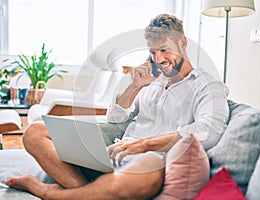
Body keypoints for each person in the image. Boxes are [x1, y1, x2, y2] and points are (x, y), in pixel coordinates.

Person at [5, 13, 229, 199]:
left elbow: (208, 130)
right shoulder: (152, 81)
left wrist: (142, 145)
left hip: (149, 162)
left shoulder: (207, 86)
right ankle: (89, 191)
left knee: (147, 173)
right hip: (111, 154)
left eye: (164, 49)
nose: (158, 59)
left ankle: (47, 192)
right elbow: (115, 118)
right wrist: (134, 86)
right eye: (152, 52)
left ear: (182, 42)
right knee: (34, 132)